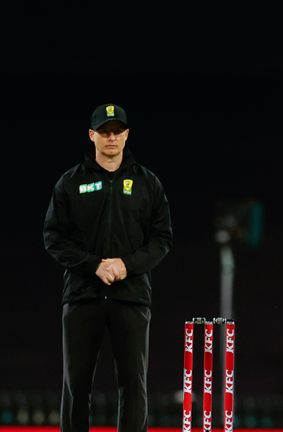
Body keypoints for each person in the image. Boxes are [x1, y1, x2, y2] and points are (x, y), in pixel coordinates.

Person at [43, 103, 173, 432]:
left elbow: (162, 240)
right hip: (82, 295)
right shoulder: (70, 183)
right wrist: (93, 266)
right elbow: (53, 237)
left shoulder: (148, 184)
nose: (111, 137)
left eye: (117, 131)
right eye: (104, 131)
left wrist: (126, 266)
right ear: (92, 136)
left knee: (133, 385)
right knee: (76, 385)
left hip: (131, 297)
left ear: (127, 136)